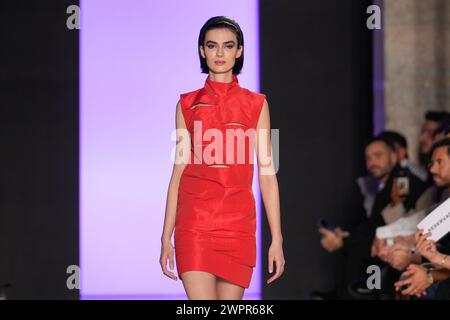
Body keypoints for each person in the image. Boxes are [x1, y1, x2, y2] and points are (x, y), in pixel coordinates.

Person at [159, 16, 285, 300]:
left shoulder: (257, 104)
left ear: (239, 51)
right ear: (202, 50)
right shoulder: (187, 104)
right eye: (212, 46)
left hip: (238, 225)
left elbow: (267, 172)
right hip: (195, 224)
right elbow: (178, 170)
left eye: (227, 46)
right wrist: (166, 235)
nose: (219, 53)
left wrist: (276, 238)